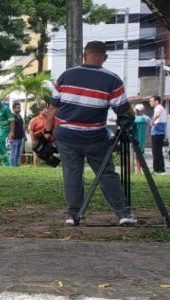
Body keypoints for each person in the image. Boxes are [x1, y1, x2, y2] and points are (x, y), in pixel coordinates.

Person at [41, 40, 135, 226]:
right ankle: (123, 213)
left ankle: (73, 214)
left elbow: (52, 109)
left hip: (66, 135)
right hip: (94, 137)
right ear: (105, 57)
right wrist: (130, 114)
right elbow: (122, 110)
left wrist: (47, 132)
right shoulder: (112, 80)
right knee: (106, 173)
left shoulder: (66, 76)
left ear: (84, 55)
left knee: (72, 174)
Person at [149, 95, 167, 174]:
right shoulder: (159, 108)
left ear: (156, 101)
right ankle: (160, 169)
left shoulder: (158, 107)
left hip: (157, 132)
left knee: (156, 151)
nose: (150, 102)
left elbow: (158, 115)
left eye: (151, 101)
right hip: (158, 132)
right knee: (158, 151)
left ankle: (157, 169)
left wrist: (152, 121)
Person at [8, 102, 26, 167]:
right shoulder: (11, 116)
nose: (19, 109)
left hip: (20, 137)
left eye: (19, 107)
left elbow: (22, 126)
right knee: (14, 153)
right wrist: (10, 136)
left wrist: (24, 135)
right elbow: (10, 127)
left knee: (18, 153)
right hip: (14, 137)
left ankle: (16, 165)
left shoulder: (19, 116)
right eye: (18, 107)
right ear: (13, 108)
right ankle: (12, 166)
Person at [133, 103, 149, 173]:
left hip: (135, 139)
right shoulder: (146, 118)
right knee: (140, 155)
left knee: (137, 155)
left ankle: (138, 170)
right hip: (141, 139)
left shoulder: (134, 119)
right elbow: (151, 126)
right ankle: (139, 170)